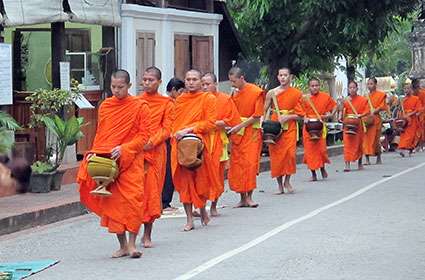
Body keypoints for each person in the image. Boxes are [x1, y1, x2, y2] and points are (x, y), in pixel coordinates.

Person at [77, 69, 151, 258]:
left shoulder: (140, 106)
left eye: (120, 87)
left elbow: (144, 136)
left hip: (130, 160)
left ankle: (133, 244)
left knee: (133, 201)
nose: (116, 91)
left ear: (129, 86)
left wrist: (125, 148)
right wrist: (93, 153)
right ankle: (123, 245)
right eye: (113, 87)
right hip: (108, 160)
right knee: (113, 203)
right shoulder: (106, 106)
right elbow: (102, 134)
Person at [171, 69, 217, 231]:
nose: (191, 82)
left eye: (194, 79)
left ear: (200, 81)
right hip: (180, 145)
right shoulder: (180, 100)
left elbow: (210, 123)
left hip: (199, 145)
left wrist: (189, 130)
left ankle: (202, 209)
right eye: (188, 79)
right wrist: (177, 134)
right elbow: (174, 122)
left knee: (201, 183)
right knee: (185, 184)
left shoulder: (208, 98)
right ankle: (189, 219)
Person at [139, 67, 175, 248]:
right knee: (134, 192)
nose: (146, 83)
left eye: (150, 80)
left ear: (159, 82)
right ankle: (130, 234)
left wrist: (152, 142)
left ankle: (147, 234)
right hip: (136, 152)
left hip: (156, 153)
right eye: (144, 79)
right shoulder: (136, 102)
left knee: (151, 194)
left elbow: (167, 128)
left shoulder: (166, 103)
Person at [200, 72, 241, 216]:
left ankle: (213, 205)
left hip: (218, 139)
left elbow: (233, 120)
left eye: (208, 84)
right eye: (203, 84)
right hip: (201, 141)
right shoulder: (198, 100)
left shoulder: (224, 99)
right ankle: (201, 205)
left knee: (216, 174)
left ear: (215, 84)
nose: (205, 87)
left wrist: (216, 124)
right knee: (202, 175)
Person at [227, 67, 263, 208]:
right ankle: (242, 198)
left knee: (250, 165)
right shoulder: (233, 93)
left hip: (251, 133)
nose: (232, 84)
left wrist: (239, 126)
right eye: (231, 82)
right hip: (237, 134)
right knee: (237, 165)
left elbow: (257, 116)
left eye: (234, 81)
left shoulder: (256, 92)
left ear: (242, 78)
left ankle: (249, 197)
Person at [264, 68, 304, 193]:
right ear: (277, 77)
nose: (283, 78)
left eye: (285, 75)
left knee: (290, 155)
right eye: (281, 75)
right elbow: (264, 110)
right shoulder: (271, 93)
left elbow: (301, 115)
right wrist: (263, 125)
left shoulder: (297, 94)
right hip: (274, 127)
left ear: (290, 77)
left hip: (290, 127)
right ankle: (279, 185)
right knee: (276, 157)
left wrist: (288, 117)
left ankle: (287, 180)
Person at [301, 78, 337, 181]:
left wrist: (331, 114)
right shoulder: (304, 99)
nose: (315, 87)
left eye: (316, 85)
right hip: (308, 128)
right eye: (312, 86)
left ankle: (322, 168)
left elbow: (334, 106)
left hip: (319, 126)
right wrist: (304, 117)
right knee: (310, 151)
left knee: (321, 150)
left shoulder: (325, 97)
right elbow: (299, 110)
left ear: (319, 86)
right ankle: (313, 174)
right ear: (309, 87)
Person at [162, 78, 185, 211]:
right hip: (166, 138)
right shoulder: (167, 103)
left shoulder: (172, 102)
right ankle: (164, 202)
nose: (182, 95)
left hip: (167, 137)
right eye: (180, 91)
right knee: (167, 170)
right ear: (173, 90)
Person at [342, 81, 370, 172]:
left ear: (357, 89)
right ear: (348, 89)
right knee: (347, 145)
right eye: (350, 88)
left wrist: (360, 115)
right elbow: (342, 112)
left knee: (358, 144)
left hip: (357, 124)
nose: (352, 89)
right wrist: (341, 103)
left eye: (354, 87)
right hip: (348, 125)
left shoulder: (363, 100)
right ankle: (347, 164)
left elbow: (367, 111)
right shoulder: (346, 100)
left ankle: (360, 163)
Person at [362, 78, 387, 165]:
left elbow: (383, 106)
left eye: (371, 84)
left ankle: (378, 157)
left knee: (376, 140)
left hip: (376, 120)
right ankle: (367, 159)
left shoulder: (381, 95)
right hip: (367, 120)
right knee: (366, 140)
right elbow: (363, 107)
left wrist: (376, 110)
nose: (369, 86)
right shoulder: (365, 96)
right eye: (368, 84)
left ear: (375, 84)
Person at [398, 82, 422, 157]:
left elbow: (417, 109)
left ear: (411, 89)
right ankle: (403, 149)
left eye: (408, 88)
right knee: (403, 135)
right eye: (405, 88)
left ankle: (408, 149)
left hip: (412, 119)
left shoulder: (416, 99)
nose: (406, 90)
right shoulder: (402, 99)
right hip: (404, 119)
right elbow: (400, 109)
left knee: (411, 136)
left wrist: (409, 114)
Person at [411, 79, 425, 152]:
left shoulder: (423, 93)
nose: (415, 90)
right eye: (414, 88)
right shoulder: (412, 95)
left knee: (421, 130)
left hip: (422, 114)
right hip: (414, 115)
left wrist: (419, 111)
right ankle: (414, 145)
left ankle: (420, 145)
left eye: (417, 88)